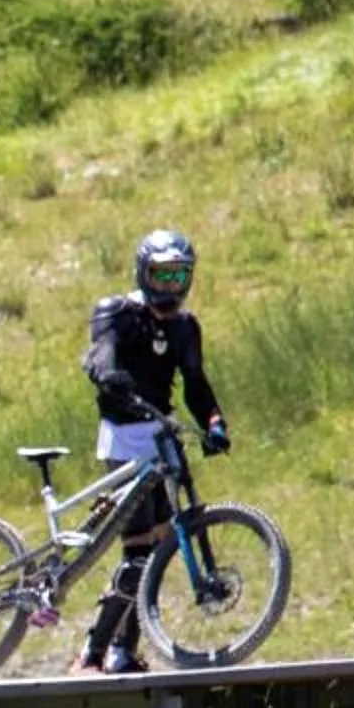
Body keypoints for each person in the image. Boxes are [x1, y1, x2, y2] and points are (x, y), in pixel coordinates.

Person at [73, 227, 231, 676]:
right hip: (124, 439)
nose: (171, 286)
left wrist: (214, 422)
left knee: (161, 546)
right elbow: (102, 356)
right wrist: (110, 377)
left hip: (162, 436)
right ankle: (94, 653)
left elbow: (196, 384)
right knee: (139, 550)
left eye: (179, 276)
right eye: (162, 275)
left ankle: (124, 650)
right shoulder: (116, 312)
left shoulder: (185, 327)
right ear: (143, 273)